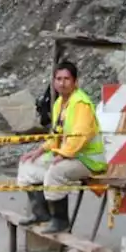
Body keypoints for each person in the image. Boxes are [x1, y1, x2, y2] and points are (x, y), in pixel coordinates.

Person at [16, 61, 107, 233]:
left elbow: (80, 137)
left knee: (56, 171)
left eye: (66, 79)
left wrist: (63, 155)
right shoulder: (59, 104)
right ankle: (41, 213)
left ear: (75, 82)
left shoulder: (81, 103)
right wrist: (39, 151)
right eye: (58, 79)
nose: (62, 83)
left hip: (88, 160)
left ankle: (60, 220)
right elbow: (56, 135)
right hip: (70, 154)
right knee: (28, 166)